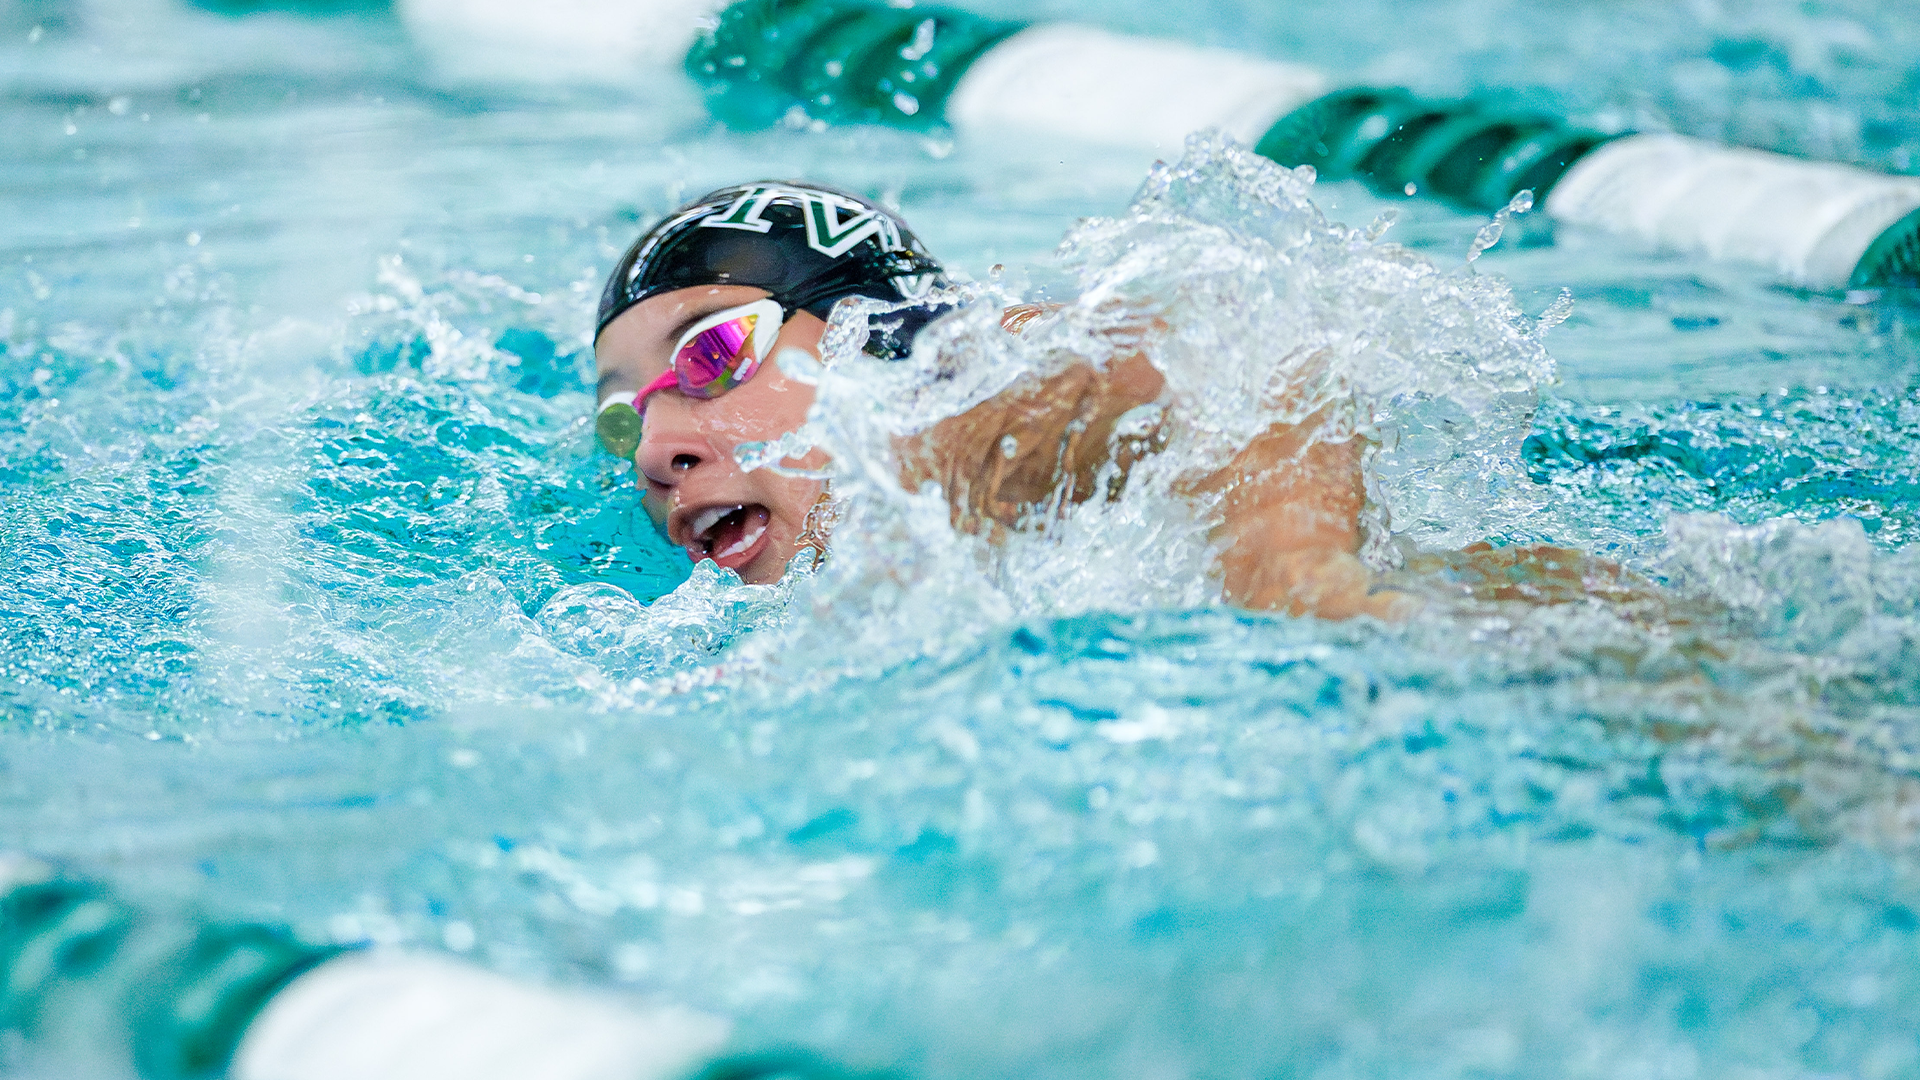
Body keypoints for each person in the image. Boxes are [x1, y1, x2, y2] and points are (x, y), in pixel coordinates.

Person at [593, 181, 1656, 622]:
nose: (655, 450)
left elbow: (1247, 346)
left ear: (882, 335)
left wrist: (1295, 575)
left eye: (714, 353)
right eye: (626, 415)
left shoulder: (952, 426)